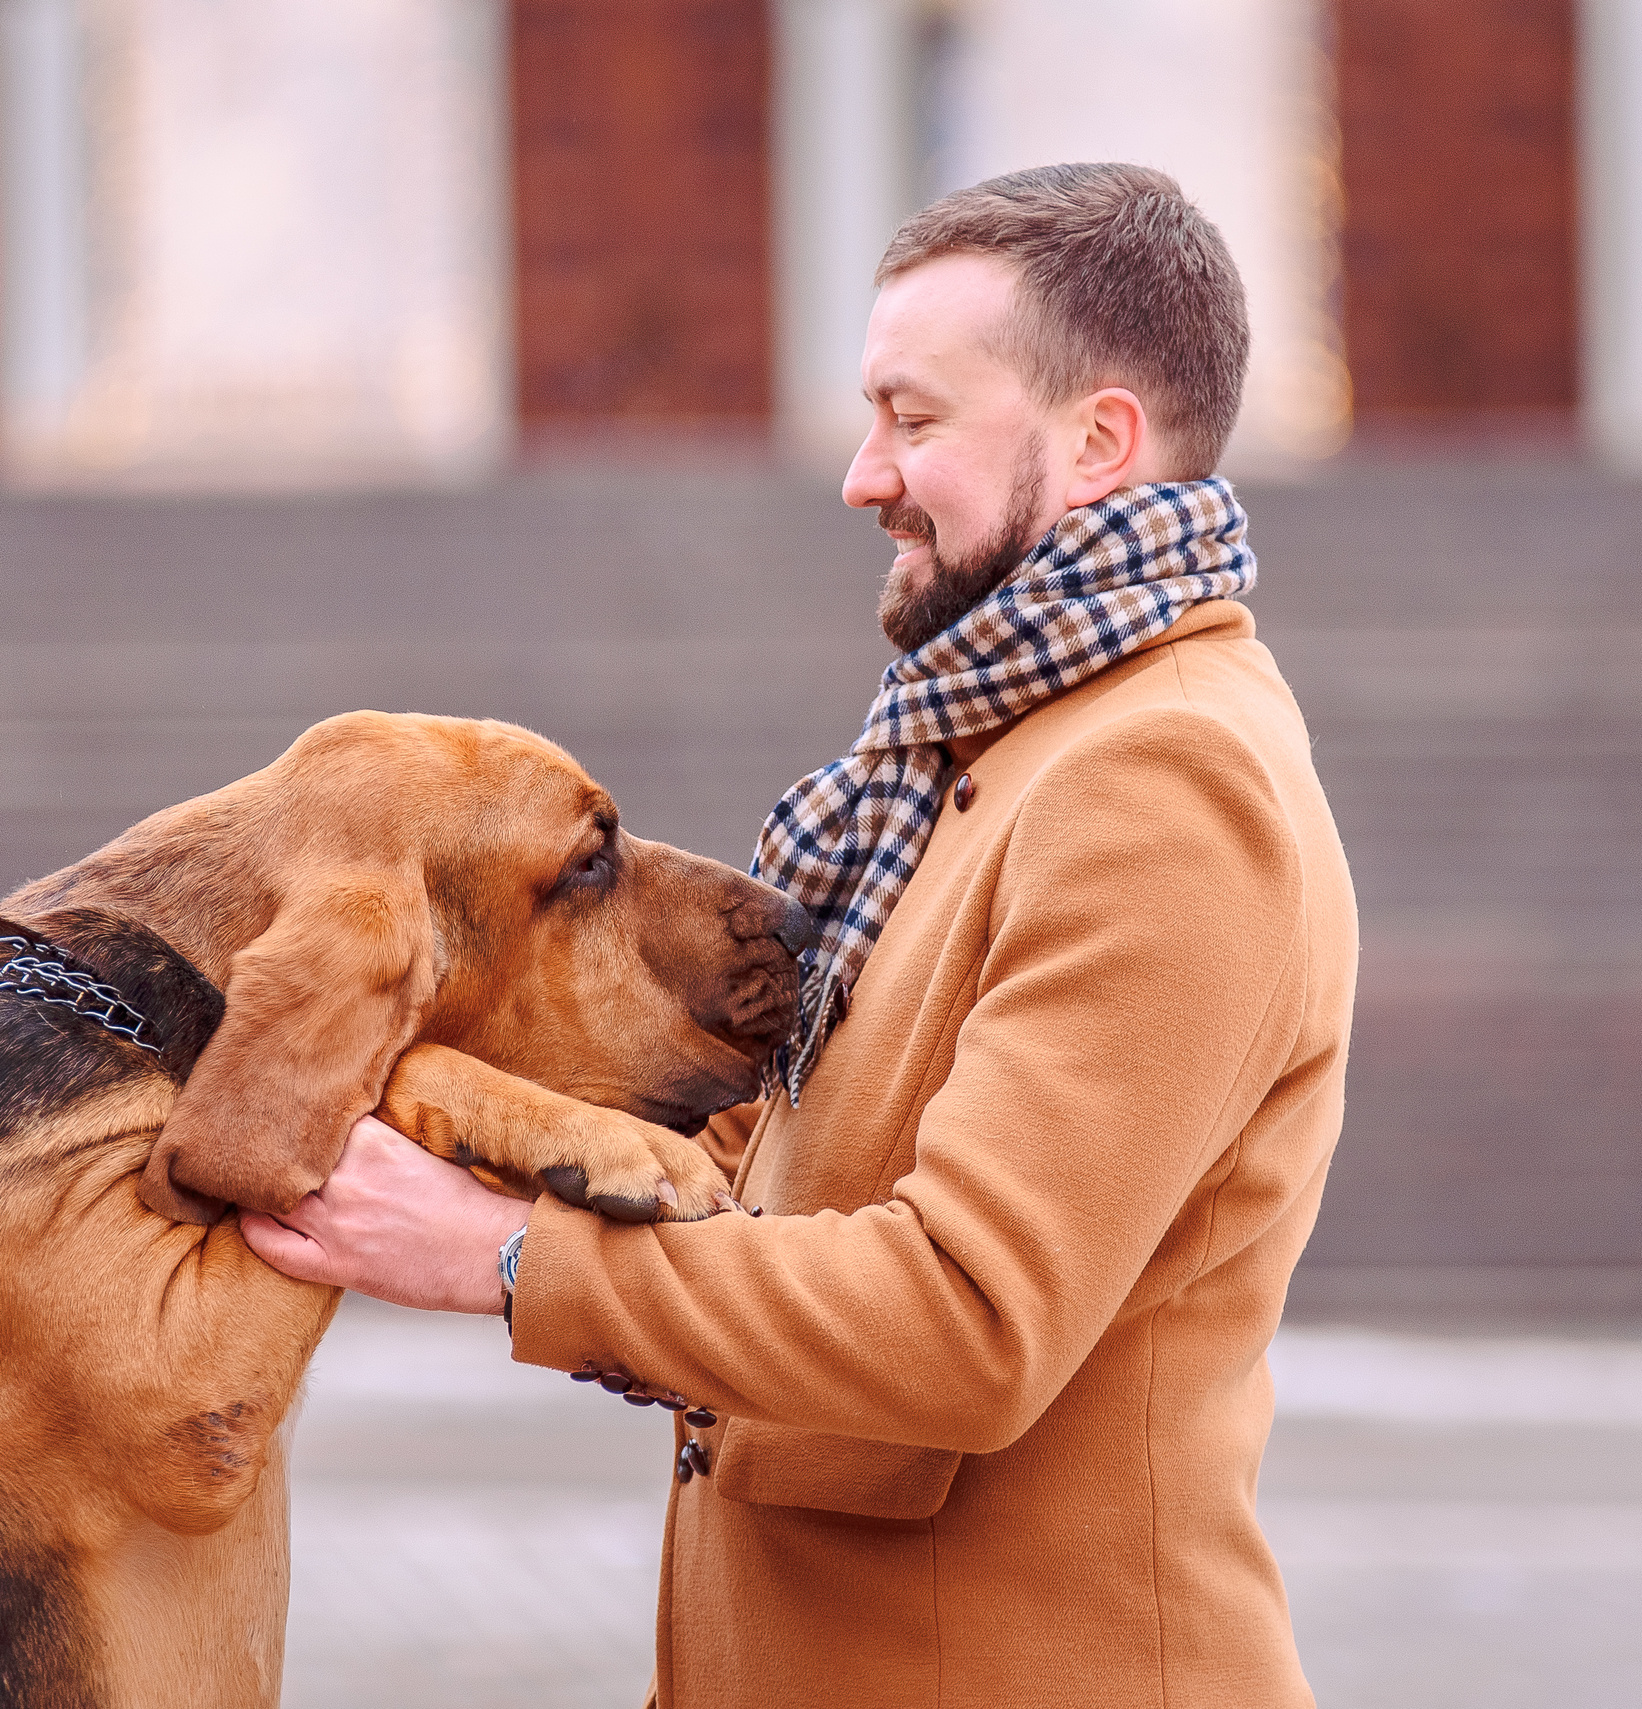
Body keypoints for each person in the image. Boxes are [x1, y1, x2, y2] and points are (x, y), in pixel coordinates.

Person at [243, 161, 1357, 1709]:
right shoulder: (986, 752)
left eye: (914, 418)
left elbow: (964, 1316)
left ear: (1098, 443)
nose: (861, 473)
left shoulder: (1160, 781)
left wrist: (499, 1258)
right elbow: (779, 1193)